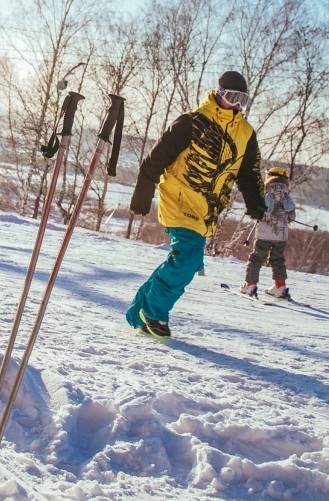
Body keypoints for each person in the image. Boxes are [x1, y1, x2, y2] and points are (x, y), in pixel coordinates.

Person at [125, 71, 266, 339]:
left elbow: (249, 173)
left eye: (243, 100)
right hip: (179, 198)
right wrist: (142, 198)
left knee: (184, 259)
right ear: (219, 93)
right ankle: (155, 312)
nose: (237, 104)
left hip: (207, 209)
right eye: (233, 97)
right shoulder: (191, 122)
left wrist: (256, 203)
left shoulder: (246, 134)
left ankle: (140, 310)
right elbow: (154, 161)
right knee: (188, 258)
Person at [243, 167, 295, 299]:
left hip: (265, 234)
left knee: (256, 258)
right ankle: (280, 286)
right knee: (278, 260)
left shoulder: (265, 193)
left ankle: (250, 285)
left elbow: (258, 213)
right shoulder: (286, 195)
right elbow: (291, 217)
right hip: (281, 236)